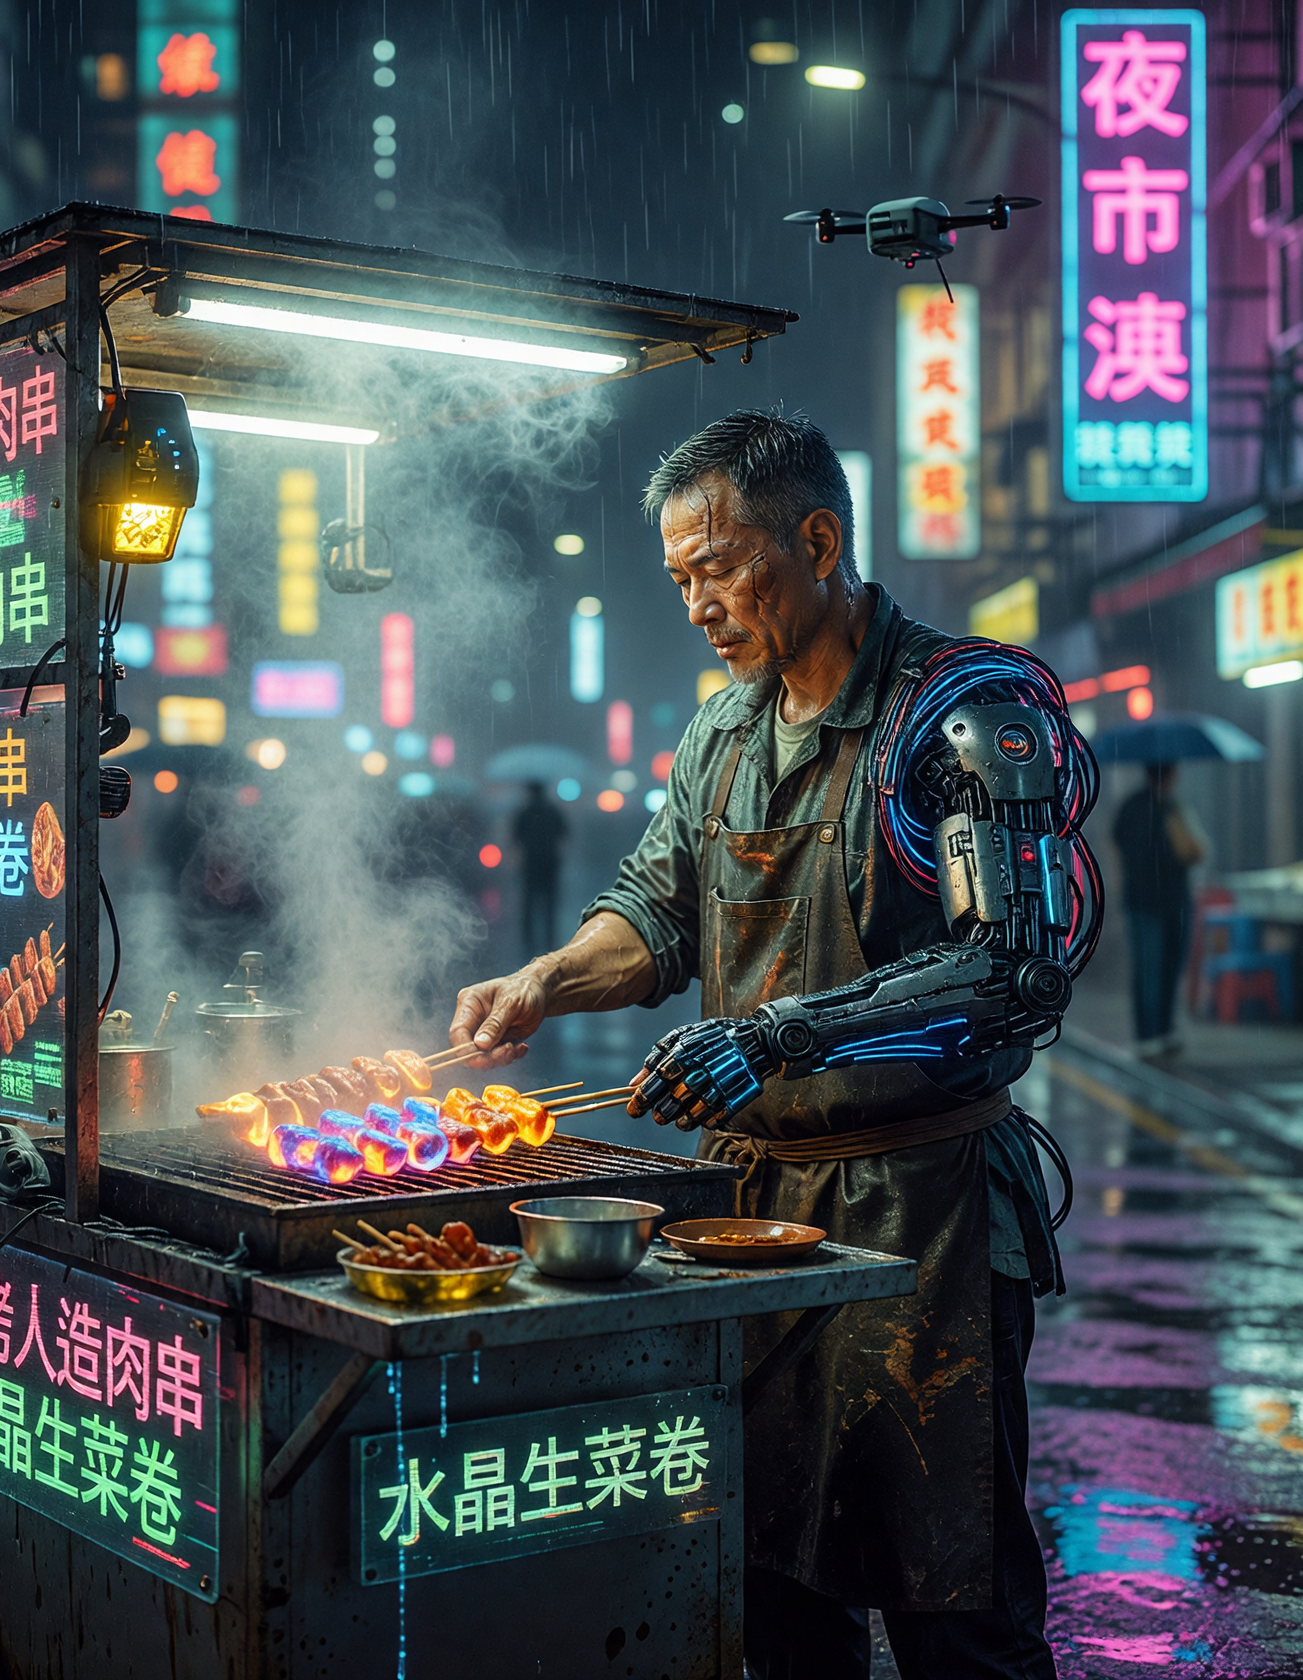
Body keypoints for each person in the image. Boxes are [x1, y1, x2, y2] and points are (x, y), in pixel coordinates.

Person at [448, 409, 1061, 1680]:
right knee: (774, 1581)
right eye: (679, 580)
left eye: (717, 569)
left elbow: (1011, 968)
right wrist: (543, 980)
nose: (697, 607)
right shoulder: (721, 734)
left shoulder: (959, 709)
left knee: (953, 1601)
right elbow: (659, 913)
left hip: (925, 1222)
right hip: (754, 1221)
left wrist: (779, 1035)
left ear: (818, 539)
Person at [1111, 762, 1207, 1055]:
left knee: (1153, 968)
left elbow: (1116, 846)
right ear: (1171, 774)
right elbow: (1193, 852)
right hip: (1166, 899)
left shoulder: (1132, 807)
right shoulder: (1168, 808)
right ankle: (1155, 1033)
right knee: (1162, 968)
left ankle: (1156, 1033)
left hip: (1146, 899)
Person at [511, 781, 569, 957]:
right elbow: (565, 834)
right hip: (550, 864)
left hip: (530, 864)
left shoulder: (524, 812)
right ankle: (549, 941)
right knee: (549, 904)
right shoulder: (553, 812)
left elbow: (515, 837)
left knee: (529, 904)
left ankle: (528, 942)